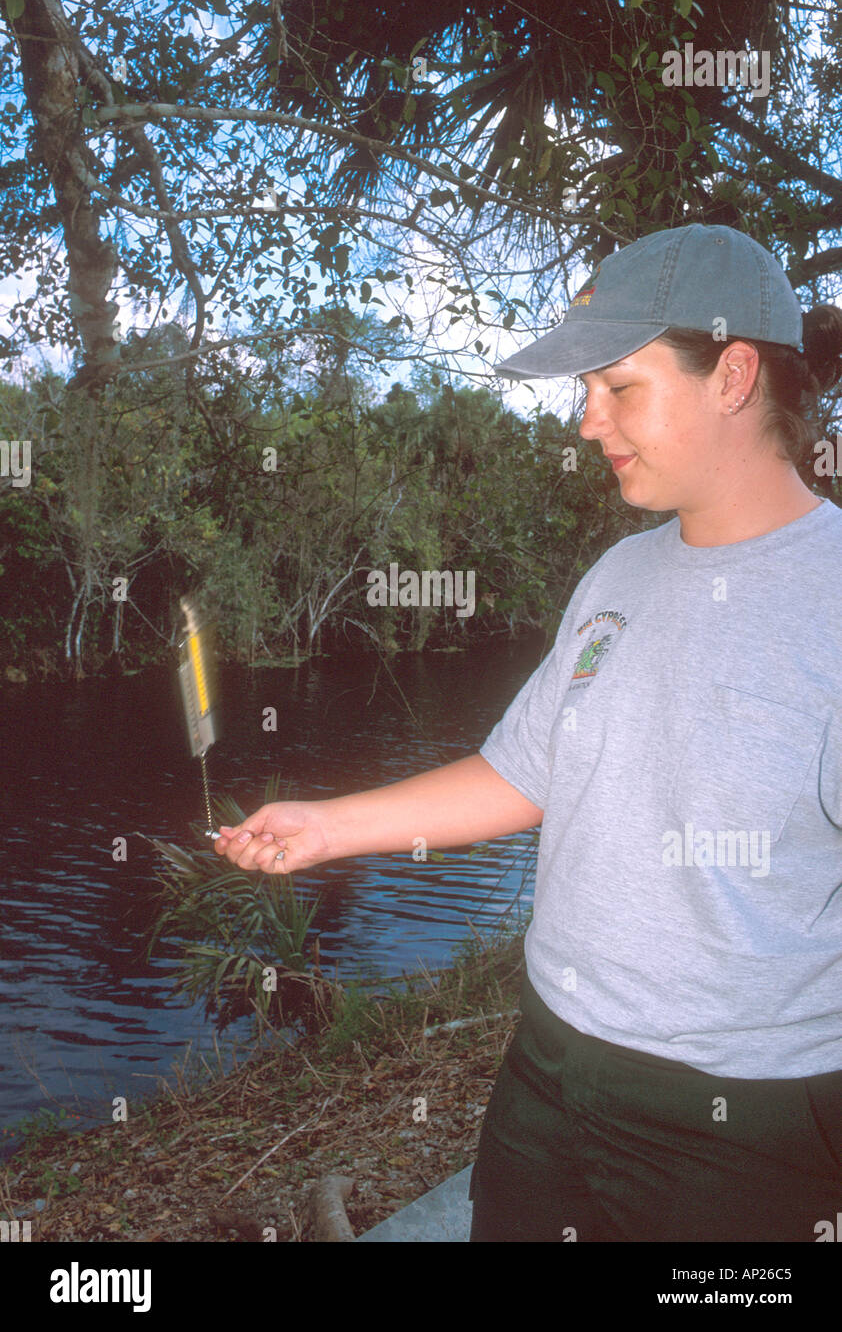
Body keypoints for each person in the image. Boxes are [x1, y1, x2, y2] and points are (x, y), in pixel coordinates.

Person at [214, 223, 842, 1242]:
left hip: (745, 1127)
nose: (585, 422)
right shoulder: (618, 577)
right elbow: (522, 771)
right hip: (546, 1079)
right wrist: (326, 827)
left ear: (731, 375)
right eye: (583, 390)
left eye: (618, 388)